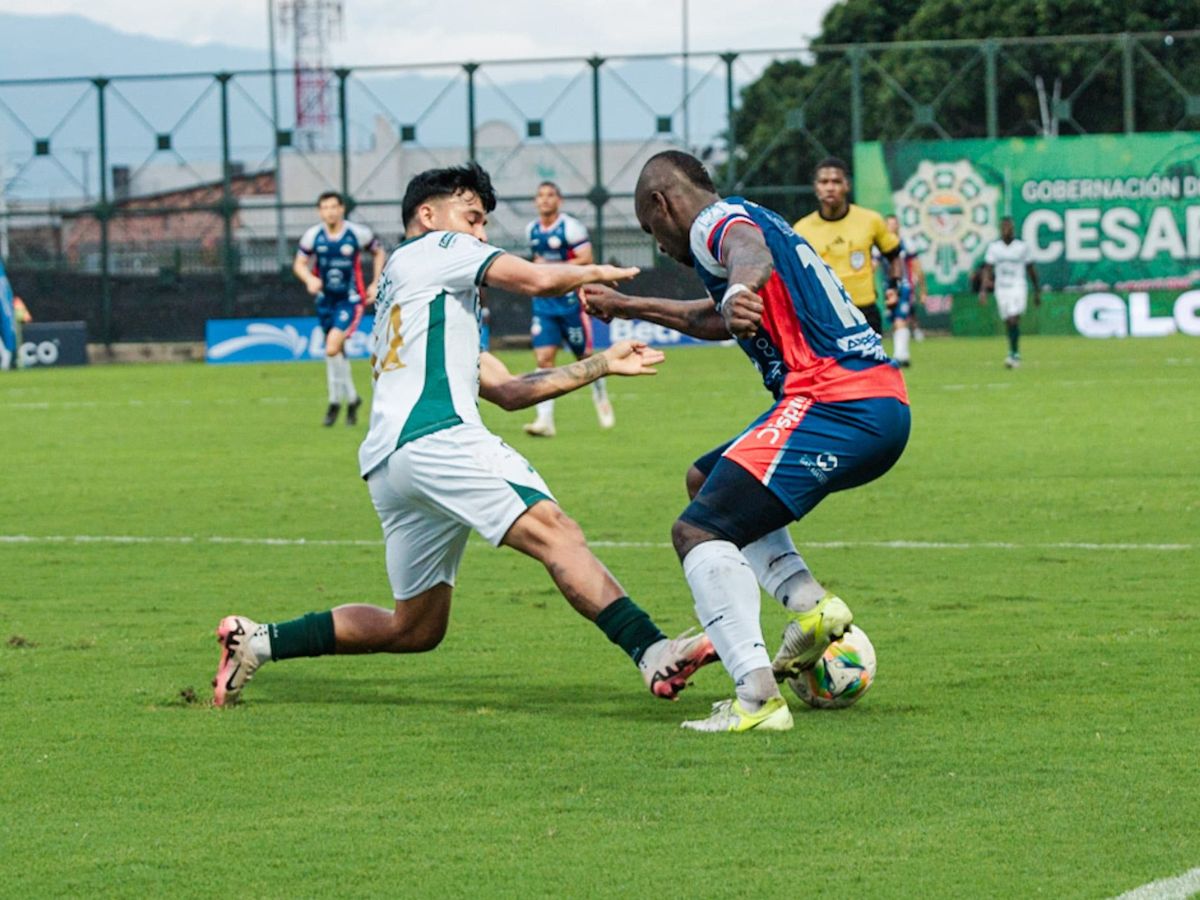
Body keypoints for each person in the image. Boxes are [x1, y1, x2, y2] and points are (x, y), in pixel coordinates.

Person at [214, 163, 716, 709]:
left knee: (415, 628)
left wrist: (602, 363)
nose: (480, 233)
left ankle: (258, 642)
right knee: (556, 532)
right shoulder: (436, 248)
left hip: (391, 464)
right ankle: (652, 650)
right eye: (472, 218)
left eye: (483, 224)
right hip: (437, 437)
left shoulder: (421, 292)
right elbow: (535, 280)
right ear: (429, 216)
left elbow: (509, 391)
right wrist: (600, 272)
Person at [582, 151, 911, 733]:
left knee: (696, 531)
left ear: (662, 203)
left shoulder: (714, 222)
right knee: (705, 481)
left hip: (836, 401)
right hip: (873, 400)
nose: (658, 243)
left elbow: (747, 254)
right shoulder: (756, 216)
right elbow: (716, 316)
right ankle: (812, 608)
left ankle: (757, 700)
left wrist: (739, 287)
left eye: (649, 227)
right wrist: (629, 305)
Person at [522, 181, 614, 437]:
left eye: (550, 195)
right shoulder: (531, 230)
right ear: (535, 201)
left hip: (570, 304)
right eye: (540, 195)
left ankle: (600, 395)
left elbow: (586, 259)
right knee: (543, 359)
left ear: (559, 200)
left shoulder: (570, 228)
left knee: (584, 358)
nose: (545, 200)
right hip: (543, 305)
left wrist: (554, 267)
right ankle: (545, 420)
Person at [293, 191, 387, 426]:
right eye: (325, 208)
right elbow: (299, 264)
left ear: (342, 209)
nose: (330, 212)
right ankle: (352, 399)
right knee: (336, 352)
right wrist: (309, 279)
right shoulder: (313, 236)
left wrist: (376, 282)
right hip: (325, 301)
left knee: (332, 347)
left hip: (350, 300)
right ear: (319, 211)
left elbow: (379, 252)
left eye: (334, 207)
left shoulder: (357, 233)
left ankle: (335, 401)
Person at [793, 158, 904, 347]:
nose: (830, 188)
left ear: (847, 186)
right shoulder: (801, 229)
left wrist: (893, 287)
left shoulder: (870, 220)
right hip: (823, 315)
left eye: (836, 182)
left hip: (864, 312)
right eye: (824, 182)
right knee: (828, 367)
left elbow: (893, 254)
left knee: (868, 366)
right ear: (816, 187)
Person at [979, 216, 1041, 368]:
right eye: (1004, 227)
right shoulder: (994, 248)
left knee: (1014, 318)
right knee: (1008, 321)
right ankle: (1013, 351)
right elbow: (987, 269)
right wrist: (983, 290)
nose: (1006, 230)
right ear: (1000, 229)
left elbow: (1031, 269)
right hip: (1001, 288)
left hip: (1018, 286)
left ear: (1013, 229)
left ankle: (1014, 354)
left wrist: (1037, 290)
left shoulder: (1022, 247)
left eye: (1009, 227)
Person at [879, 214, 927, 364]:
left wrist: (923, 290)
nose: (892, 226)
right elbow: (872, 265)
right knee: (895, 320)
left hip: (904, 286)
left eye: (895, 224)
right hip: (887, 288)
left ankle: (901, 355)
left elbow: (917, 267)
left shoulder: (907, 244)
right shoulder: (878, 245)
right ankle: (901, 353)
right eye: (889, 224)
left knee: (901, 318)